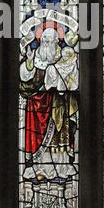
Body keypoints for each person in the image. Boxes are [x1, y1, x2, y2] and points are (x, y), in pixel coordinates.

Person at [20, 28, 78, 181]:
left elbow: (72, 78)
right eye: (45, 39)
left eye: (51, 39)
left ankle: (61, 167)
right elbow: (26, 78)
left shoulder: (63, 55)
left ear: (57, 41)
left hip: (58, 102)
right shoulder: (37, 55)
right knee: (39, 137)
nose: (47, 42)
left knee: (59, 137)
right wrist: (29, 61)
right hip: (37, 102)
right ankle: (40, 167)